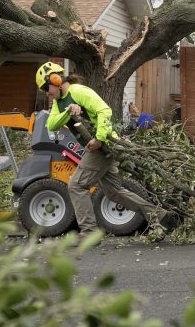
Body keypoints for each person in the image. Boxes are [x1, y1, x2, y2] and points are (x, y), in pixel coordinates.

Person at [35, 61, 178, 238]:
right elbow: (52, 125)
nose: (46, 93)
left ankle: (88, 233)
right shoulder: (60, 103)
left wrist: (99, 139)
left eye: (45, 88)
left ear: (55, 80)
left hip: (103, 145)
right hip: (99, 146)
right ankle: (163, 217)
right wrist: (68, 112)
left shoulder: (79, 92)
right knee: (114, 192)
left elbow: (105, 111)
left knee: (76, 185)